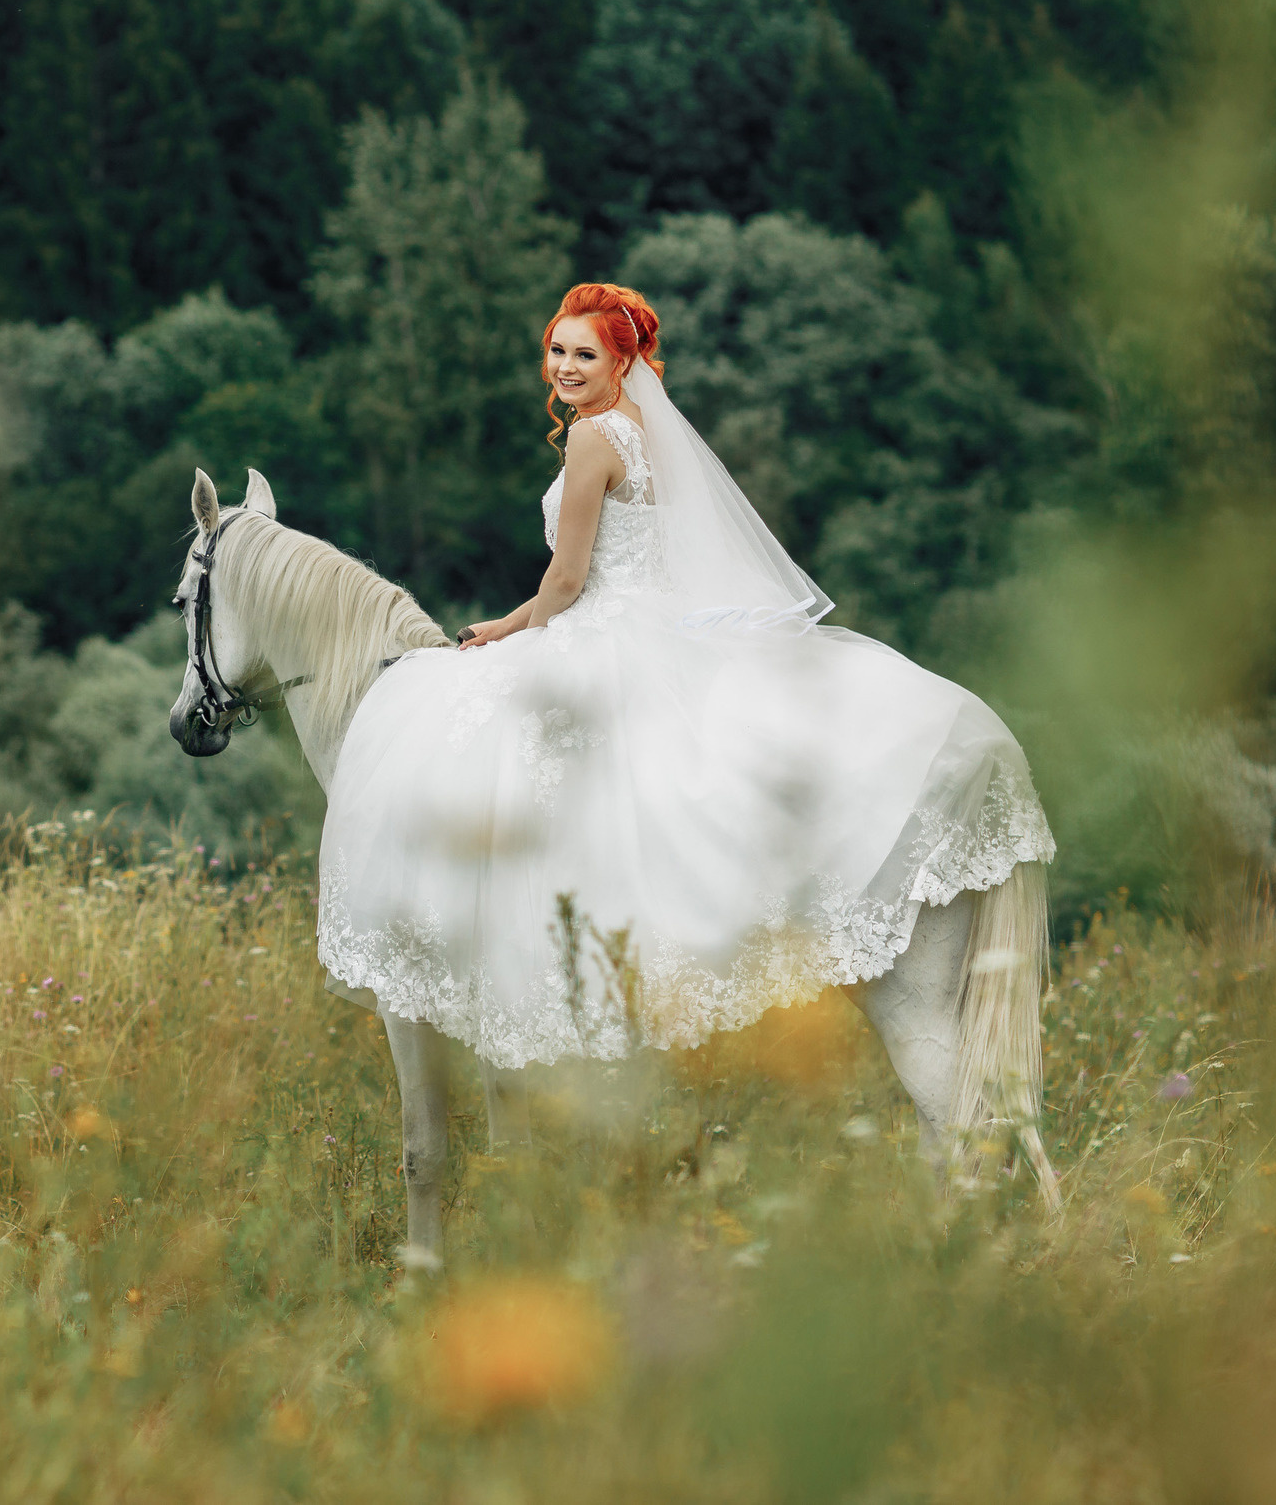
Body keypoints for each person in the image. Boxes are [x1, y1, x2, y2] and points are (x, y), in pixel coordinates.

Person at [315, 282, 1055, 1065]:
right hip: (662, 621)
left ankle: (551, 958)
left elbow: (566, 582)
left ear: (622, 359)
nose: (565, 367)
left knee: (501, 748)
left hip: (606, 622)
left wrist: (499, 631)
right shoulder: (646, 428)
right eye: (557, 350)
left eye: (585, 354)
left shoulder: (592, 439)